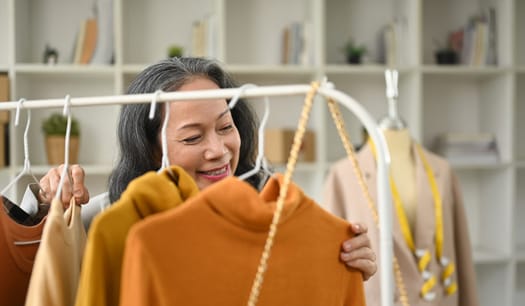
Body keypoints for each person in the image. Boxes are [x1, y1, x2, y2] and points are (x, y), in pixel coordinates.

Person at [32, 56, 377, 280]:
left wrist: (347, 265)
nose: (219, 150)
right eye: (193, 137)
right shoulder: (104, 223)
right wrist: (44, 211)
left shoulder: (279, 213)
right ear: (151, 150)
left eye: (226, 127)